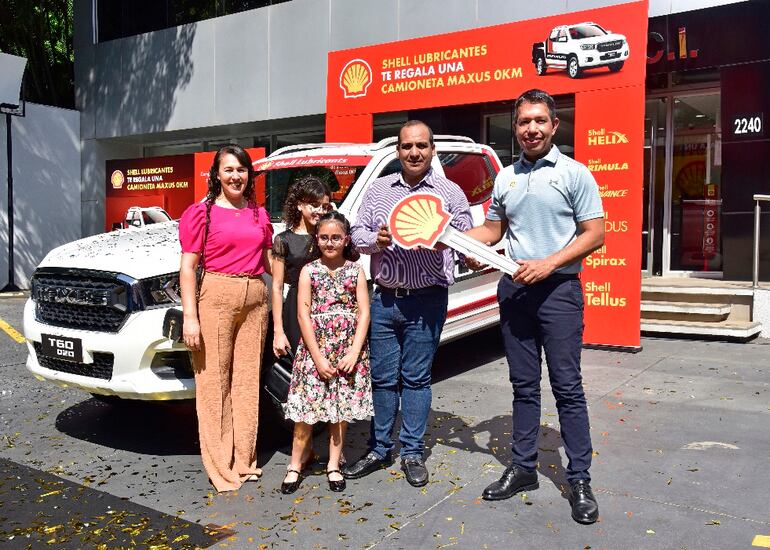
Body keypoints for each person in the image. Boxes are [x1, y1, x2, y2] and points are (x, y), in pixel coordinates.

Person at [465, 89, 605, 524]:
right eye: (524, 121)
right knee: (523, 386)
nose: (531, 129)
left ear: (554, 125)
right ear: (517, 126)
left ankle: (579, 477)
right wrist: (449, 241)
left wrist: (549, 264)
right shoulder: (505, 178)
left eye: (539, 121)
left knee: (567, 386)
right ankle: (523, 468)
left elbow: (595, 234)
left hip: (559, 292)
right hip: (515, 293)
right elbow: (491, 230)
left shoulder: (574, 173)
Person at [344, 120, 483, 487]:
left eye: (422, 145)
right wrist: (378, 238)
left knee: (416, 379)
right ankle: (378, 448)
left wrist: (450, 241)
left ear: (433, 150)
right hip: (385, 300)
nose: (414, 152)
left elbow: (469, 236)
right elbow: (356, 235)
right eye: (407, 146)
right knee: (384, 379)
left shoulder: (450, 192)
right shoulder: (377, 190)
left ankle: (411, 451)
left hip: (427, 300)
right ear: (398, 151)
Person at [178, 145, 273, 493]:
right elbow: (187, 268)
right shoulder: (200, 214)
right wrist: (191, 318)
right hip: (216, 296)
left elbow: (269, 263)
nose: (236, 176)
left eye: (242, 170)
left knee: (247, 384)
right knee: (214, 384)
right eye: (229, 169)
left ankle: (243, 461)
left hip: (255, 299)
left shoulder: (257, 214)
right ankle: (220, 467)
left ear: (249, 175)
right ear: (216, 174)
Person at [280, 211, 372, 494]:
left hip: (347, 349)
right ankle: (295, 465)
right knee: (305, 413)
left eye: (336, 237)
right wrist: (318, 358)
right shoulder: (309, 271)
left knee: (339, 412)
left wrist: (354, 352)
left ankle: (334, 464)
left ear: (346, 239)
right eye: (324, 238)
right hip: (315, 350)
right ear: (316, 240)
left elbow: (364, 311)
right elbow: (303, 315)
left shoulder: (356, 271)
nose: (330, 243)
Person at [271, 177, 332, 358]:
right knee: (299, 360)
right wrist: (278, 331)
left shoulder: (329, 238)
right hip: (295, 306)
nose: (320, 211)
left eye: (325, 206)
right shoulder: (283, 240)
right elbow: (277, 287)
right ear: (299, 205)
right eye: (314, 204)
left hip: (327, 302)